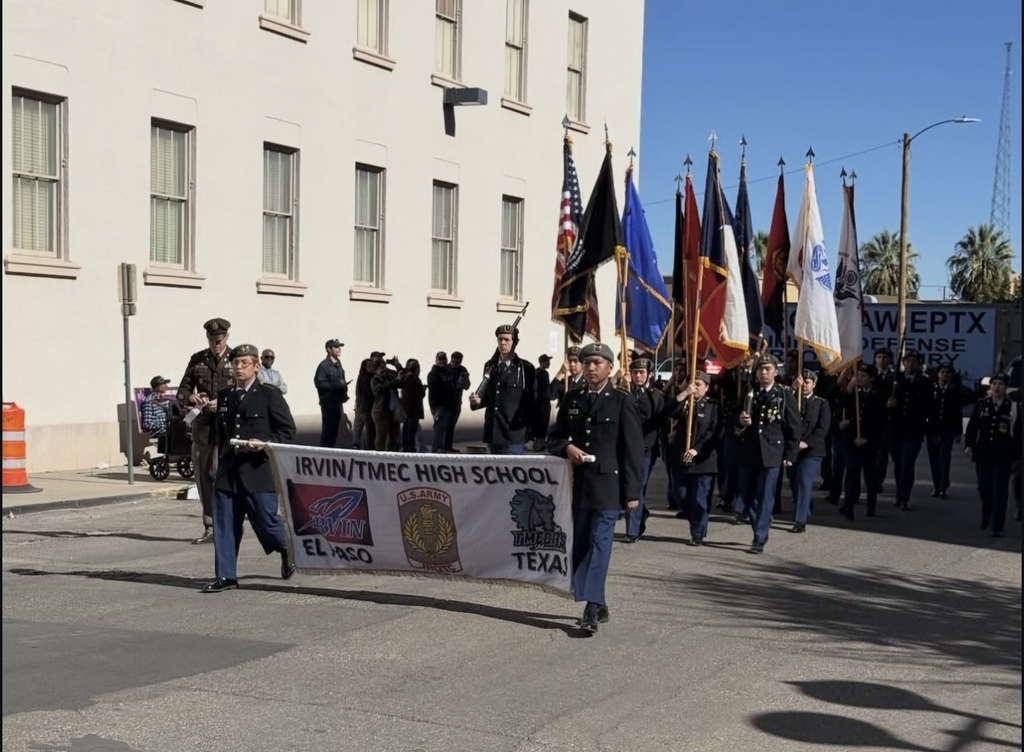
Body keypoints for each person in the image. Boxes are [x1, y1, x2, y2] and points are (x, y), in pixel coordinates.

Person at [547, 342, 643, 635]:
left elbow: (633, 449)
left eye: (597, 363)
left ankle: (590, 608)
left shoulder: (622, 401)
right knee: (581, 545)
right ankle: (599, 602)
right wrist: (567, 447)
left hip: (608, 487)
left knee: (600, 545)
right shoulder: (572, 398)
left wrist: (631, 493)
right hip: (578, 486)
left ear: (609, 368)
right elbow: (553, 437)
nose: (590, 367)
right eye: (586, 362)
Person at [202, 344, 297, 593]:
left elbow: (287, 431)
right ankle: (226, 576)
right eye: (235, 363)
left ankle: (287, 546)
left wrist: (266, 444)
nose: (239, 367)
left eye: (244, 363)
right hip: (229, 470)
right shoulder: (225, 396)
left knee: (267, 522)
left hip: (258, 470)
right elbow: (221, 433)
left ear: (256, 366)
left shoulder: (269, 395)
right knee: (224, 523)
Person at [177, 317, 236, 545]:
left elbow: (245, 391)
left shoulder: (237, 359)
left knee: (227, 475)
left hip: (229, 427)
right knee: (203, 476)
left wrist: (222, 403)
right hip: (204, 427)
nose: (216, 344)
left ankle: (229, 522)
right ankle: (210, 526)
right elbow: (183, 389)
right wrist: (191, 396)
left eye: (219, 340)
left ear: (226, 337)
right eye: (212, 340)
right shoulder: (197, 360)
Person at [736, 354, 801, 554]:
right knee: (749, 496)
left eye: (768, 369)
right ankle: (759, 527)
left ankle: (759, 538)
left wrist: (790, 455)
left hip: (772, 453)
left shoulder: (783, 394)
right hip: (750, 452)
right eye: (760, 369)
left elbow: (794, 426)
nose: (764, 373)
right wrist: (741, 420)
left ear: (775, 371)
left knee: (765, 496)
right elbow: (733, 419)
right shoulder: (749, 392)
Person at [964, 372, 1021, 538]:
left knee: (999, 491)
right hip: (983, 454)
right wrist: (969, 445)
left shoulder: (1013, 407)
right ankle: (987, 513)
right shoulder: (983, 405)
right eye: (994, 384)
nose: (997, 387)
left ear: (1006, 388)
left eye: (1001, 384)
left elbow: (1018, 432)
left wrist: (1018, 454)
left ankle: (997, 525)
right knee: (984, 488)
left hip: (1003, 456)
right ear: (990, 387)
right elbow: (973, 427)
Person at [669, 370, 719, 546]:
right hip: (681, 457)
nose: (695, 387)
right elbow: (668, 411)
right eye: (693, 383)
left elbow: (714, 432)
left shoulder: (714, 406)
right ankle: (696, 522)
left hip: (703, 460)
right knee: (681, 495)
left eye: (699, 384)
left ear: (706, 387)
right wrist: (683, 392)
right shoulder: (683, 402)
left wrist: (697, 449)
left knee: (700, 498)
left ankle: (697, 532)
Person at [469, 324, 536, 455]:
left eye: (507, 340)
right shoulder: (490, 365)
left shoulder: (525, 368)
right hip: (493, 432)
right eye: (500, 339)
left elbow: (533, 401)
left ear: (515, 342)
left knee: (512, 473)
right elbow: (490, 396)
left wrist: (535, 433)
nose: (503, 343)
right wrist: (477, 401)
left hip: (513, 434)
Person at [622, 356, 666, 542]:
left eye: (641, 373)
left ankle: (631, 531)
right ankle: (640, 515)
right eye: (635, 373)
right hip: (625, 447)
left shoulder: (656, 395)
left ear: (649, 375)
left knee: (638, 487)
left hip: (646, 448)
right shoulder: (625, 393)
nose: (638, 376)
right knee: (630, 487)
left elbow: (656, 417)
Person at [886, 350, 932, 511]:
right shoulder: (894, 380)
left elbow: (928, 405)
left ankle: (905, 496)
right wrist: (888, 404)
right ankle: (899, 493)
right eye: (908, 361)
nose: (910, 364)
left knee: (907, 464)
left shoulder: (924, 382)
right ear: (903, 363)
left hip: (913, 430)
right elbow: (882, 400)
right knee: (898, 464)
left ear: (919, 364)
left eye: (914, 361)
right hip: (896, 429)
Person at [789, 370, 831, 533]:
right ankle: (804, 509)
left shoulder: (821, 403)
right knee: (794, 480)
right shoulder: (792, 400)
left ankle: (800, 520)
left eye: (808, 382)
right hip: (793, 449)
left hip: (812, 450)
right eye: (802, 381)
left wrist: (807, 443)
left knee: (804, 481)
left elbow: (822, 428)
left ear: (814, 384)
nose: (804, 385)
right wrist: (792, 390)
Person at [925, 363, 965, 498]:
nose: (945, 375)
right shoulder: (931, 389)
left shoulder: (955, 390)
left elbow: (958, 411)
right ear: (937, 374)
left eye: (948, 372)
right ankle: (936, 485)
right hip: (932, 429)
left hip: (948, 430)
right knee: (934, 459)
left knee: (944, 457)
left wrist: (959, 430)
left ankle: (943, 485)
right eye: (942, 372)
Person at [314, 338, 349, 448]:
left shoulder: (338, 363)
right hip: (328, 403)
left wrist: (344, 390)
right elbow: (319, 383)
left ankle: (331, 449)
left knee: (334, 431)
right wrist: (336, 386)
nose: (339, 349)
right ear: (329, 349)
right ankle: (324, 452)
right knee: (328, 431)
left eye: (339, 347)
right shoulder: (324, 365)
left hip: (338, 402)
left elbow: (341, 379)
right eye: (336, 347)